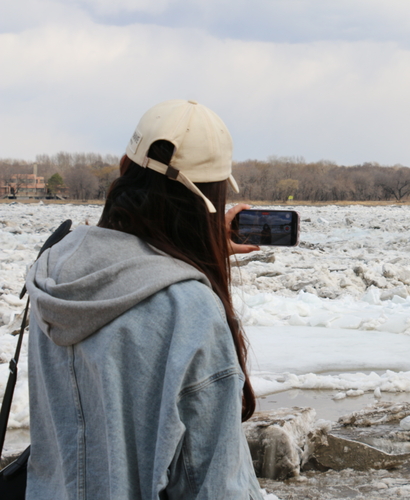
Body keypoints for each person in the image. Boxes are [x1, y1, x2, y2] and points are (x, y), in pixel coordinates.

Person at [25, 99, 264, 499]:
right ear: (213, 197)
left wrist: (201, 250)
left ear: (123, 168)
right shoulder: (189, 310)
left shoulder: (56, 270)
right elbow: (216, 486)